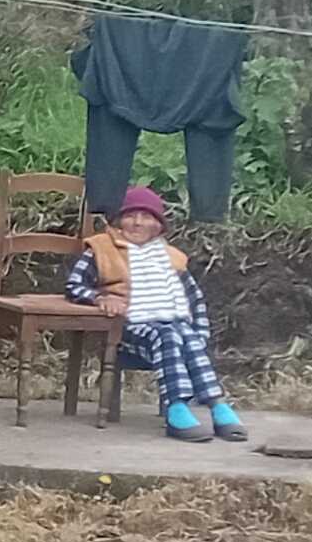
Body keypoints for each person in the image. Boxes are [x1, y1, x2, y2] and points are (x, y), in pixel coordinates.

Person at [61, 185, 245, 442]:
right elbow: (74, 285)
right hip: (127, 328)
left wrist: (201, 334)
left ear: (158, 226)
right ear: (118, 220)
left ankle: (218, 406)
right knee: (168, 336)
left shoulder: (170, 257)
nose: (137, 222)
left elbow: (195, 300)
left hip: (173, 325)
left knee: (187, 336)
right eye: (130, 215)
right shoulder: (102, 249)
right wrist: (100, 298)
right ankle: (176, 410)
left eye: (146, 217)